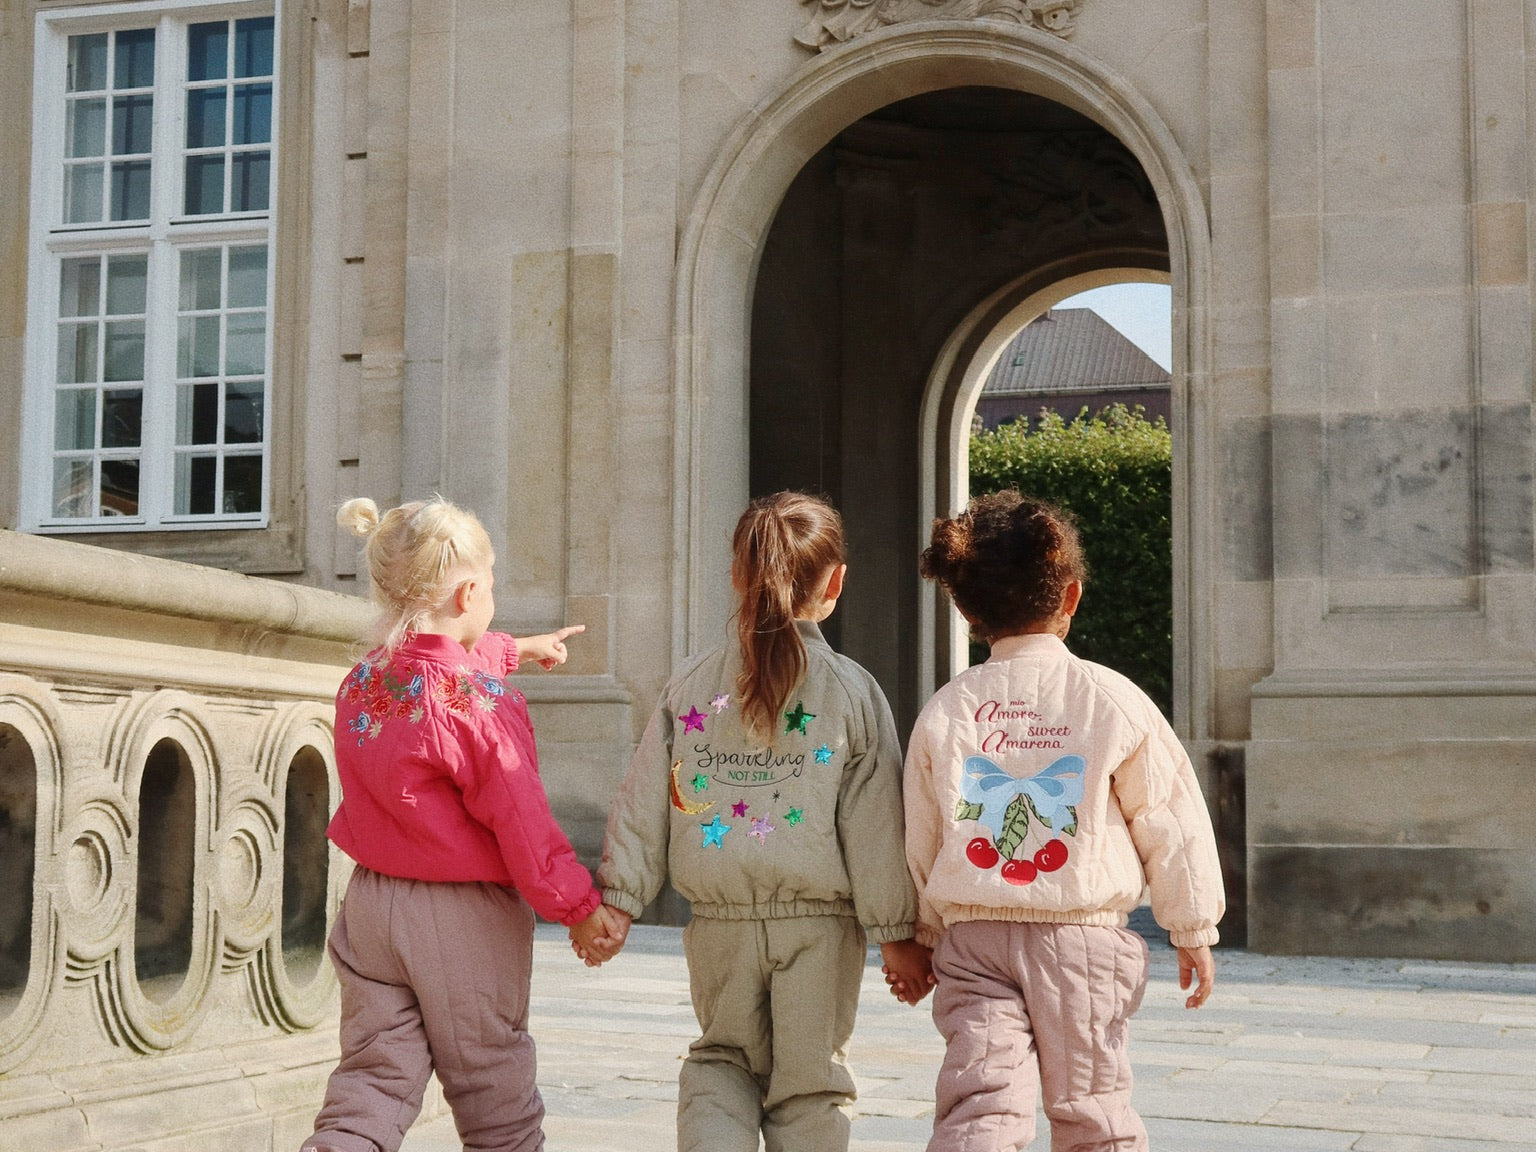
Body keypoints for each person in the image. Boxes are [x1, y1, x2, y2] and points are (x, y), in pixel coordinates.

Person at [592, 491, 933, 1152]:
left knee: (720, 1063)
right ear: (835, 582)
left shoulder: (689, 685)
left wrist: (619, 901)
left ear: (735, 576)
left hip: (718, 925)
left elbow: (643, 801)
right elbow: (875, 826)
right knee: (810, 1086)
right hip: (817, 929)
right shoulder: (852, 690)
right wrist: (897, 933)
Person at [902, 489, 1225, 1152]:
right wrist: (1192, 924)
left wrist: (925, 932)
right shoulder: (1113, 698)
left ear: (966, 611)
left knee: (980, 1104)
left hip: (976, 940)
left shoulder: (949, 707)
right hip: (1083, 943)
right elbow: (1169, 819)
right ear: (1070, 597)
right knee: (1091, 1105)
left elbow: (923, 832)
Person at [302, 495, 624, 1152]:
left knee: (373, 1080)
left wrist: (513, 649)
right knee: (493, 1087)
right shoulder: (480, 701)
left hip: (371, 906)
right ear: (469, 591)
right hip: (461, 918)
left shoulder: (363, 679)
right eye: (493, 585)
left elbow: (430, 669)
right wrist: (580, 907)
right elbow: (523, 823)